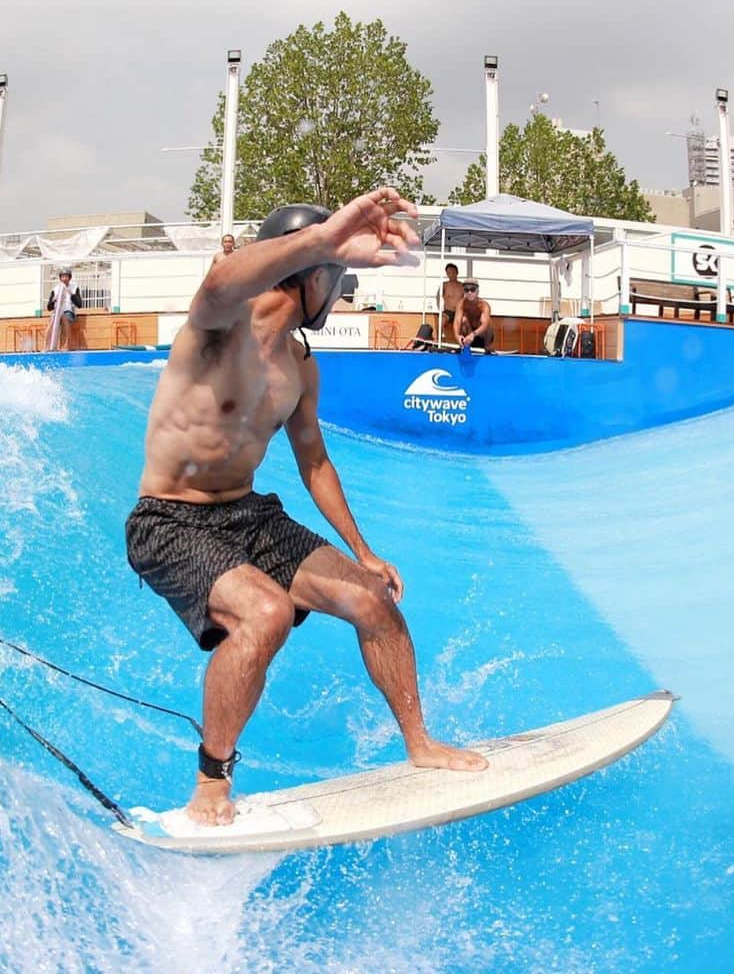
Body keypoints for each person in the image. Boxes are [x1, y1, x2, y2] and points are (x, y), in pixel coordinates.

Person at [125, 188, 488, 827]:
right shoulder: (221, 327)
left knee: (372, 601)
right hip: (169, 518)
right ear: (311, 272)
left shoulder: (299, 363)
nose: (340, 290)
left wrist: (363, 552)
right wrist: (324, 239)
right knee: (263, 614)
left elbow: (314, 462)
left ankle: (420, 743)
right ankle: (211, 782)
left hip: (249, 514)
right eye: (337, 277)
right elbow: (219, 281)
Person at [45, 268, 82, 352]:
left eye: (66, 276)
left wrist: (72, 295)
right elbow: (49, 307)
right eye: (63, 276)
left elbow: (79, 304)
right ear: (60, 278)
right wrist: (54, 299)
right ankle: (46, 346)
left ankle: (66, 346)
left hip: (68, 311)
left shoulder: (74, 288)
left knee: (65, 318)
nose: (64, 278)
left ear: (70, 278)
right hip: (57, 311)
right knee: (51, 322)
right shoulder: (55, 289)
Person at [455, 279, 494, 352]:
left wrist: (473, 334)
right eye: (466, 290)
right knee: (463, 319)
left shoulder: (483, 305)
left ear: (477, 291)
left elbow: (485, 324)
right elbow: (457, 321)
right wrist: (457, 336)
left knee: (488, 322)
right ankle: (464, 345)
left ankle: (487, 346)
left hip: (482, 336)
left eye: (472, 289)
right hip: (469, 337)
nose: (469, 292)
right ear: (464, 292)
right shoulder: (461, 304)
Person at [437, 262, 463, 343]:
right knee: (441, 320)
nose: (451, 274)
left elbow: (466, 300)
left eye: (452, 272)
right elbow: (438, 297)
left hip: (459, 312)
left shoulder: (462, 286)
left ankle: (463, 343)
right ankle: (440, 342)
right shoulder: (444, 285)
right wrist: (440, 310)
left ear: (457, 272)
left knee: (465, 323)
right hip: (448, 312)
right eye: (448, 273)